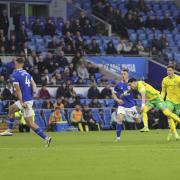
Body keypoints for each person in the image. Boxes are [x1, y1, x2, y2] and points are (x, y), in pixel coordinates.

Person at [0, 58, 51, 147]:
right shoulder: (27, 74)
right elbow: (34, 85)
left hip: (24, 100)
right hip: (30, 100)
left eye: (14, 62)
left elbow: (18, 90)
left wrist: (21, 102)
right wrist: (34, 93)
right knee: (29, 123)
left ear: (16, 63)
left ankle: (9, 130)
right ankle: (46, 138)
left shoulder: (15, 75)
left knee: (12, 110)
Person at [112, 69, 139, 141]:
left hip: (131, 106)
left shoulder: (131, 84)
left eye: (124, 74)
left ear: (128, 75)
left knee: (137, 120)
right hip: (122, 106)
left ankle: (140, 129)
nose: (123, 75)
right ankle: (118, 138)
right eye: (122, 74)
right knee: (119, 119)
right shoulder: (118, 84)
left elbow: (137, 89)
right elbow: (113, 93)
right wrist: (117, 100)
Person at [161, 65, 180, 140]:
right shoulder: (164, 80)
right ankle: (175, 134)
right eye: (167, 70)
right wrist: (161, 100)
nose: (168, 72)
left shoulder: (178, 79)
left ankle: (171, 132)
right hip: (169, 101)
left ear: (173, 71)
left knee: (176, 119)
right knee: (169, 115)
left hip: (178, 101)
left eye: (170, 70)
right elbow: (163, 91)